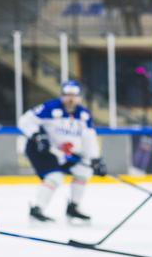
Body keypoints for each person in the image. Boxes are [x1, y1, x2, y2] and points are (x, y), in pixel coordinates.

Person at [17, 80, 107, 224]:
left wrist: (96, 159)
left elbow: (89, 138)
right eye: (67, 95)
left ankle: (73, 208)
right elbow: (25, 121)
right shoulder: (49, 108)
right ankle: (37, 209)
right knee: (54, 177)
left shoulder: (84, 115)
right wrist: (37, 136)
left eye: (74, 95)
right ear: (61, 96)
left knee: (83, 172)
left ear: (79, 97)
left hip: (65, 154)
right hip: (42, 151)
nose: (70, 99)